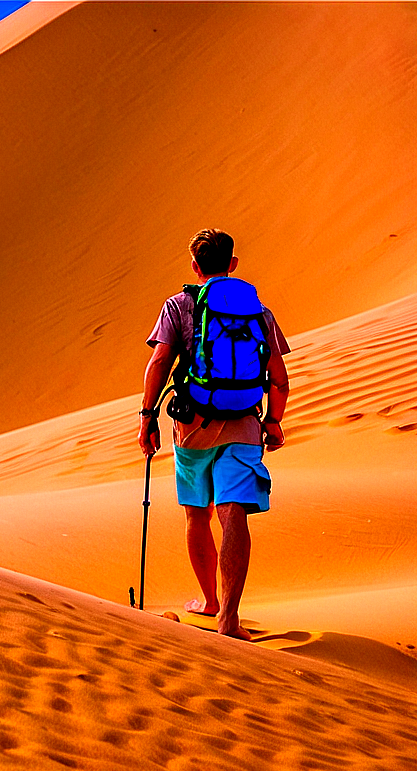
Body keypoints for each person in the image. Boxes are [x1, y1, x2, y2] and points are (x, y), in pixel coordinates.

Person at [138, 229, 290, 640]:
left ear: (195, 266)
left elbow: (159, 362)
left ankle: (209, 601)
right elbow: (278, 377)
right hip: (243, 422)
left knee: (197, 514)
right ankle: (230, 619)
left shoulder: (179, 305)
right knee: (234, 510)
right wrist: (273, 422)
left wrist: (147, 417)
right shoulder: (259, 311)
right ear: (233, 264)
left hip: (192, 426)